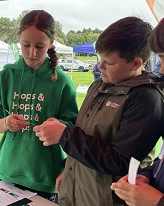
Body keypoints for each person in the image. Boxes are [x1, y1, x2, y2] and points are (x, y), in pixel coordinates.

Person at [33, 16, 164, 206]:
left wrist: (65, 136)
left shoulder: (146, 99)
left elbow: (120, 161)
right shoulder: (99, 86)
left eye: (109, 62)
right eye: (99, 58)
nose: (99, 66)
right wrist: (70, 173)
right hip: (78, 191)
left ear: (136, 64)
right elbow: (86, 134)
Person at [0, 10, 78, 203]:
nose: (32, 53)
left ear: (51, 42)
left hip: (45, 177)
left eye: (40, 46)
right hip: (9, 173)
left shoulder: (62, 83)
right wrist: (6, 122)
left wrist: (58, 127)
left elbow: (73, 127)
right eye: (26, 45)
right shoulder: (5, 77)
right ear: (18, 39)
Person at [110, 17, 164, 206]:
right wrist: (148, 175)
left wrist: (157, 200)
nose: (162, 69)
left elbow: (119, 158)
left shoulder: (148, 96)